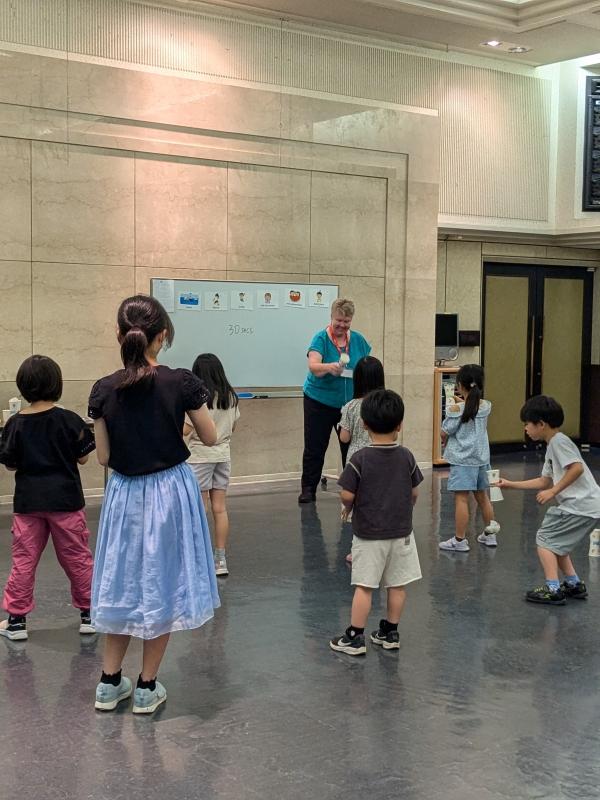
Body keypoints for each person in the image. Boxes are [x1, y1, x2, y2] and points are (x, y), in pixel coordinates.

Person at [89, 294, 220, 714]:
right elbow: (210, 436)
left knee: (122, 582)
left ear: (119, 334)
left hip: (125, 494)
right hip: (170, 491)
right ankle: (147, 686)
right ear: (162, 336)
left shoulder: (103, 389)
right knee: (162, 581)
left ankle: (109, 683)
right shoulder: (181, 382)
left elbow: (104, 457)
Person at [0, 355, 96, 641]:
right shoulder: (69, 420)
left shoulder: (15, 424)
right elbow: (84, 458)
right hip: (66, 501)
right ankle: (90, 614)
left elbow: (10, 465)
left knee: (24, 560)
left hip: (29, 503)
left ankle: (16, 621)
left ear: (23, 386)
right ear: (57, 384)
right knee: (77, 558)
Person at [330, 389, 423, 655]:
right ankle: (390, 632)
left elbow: (347, 494)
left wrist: (348, 507)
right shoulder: (407, 456)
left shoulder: (359, 459)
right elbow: (414, 491)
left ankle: (355, 636)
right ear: (400, 425)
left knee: (365, 586)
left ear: (364, 424)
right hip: (402, 533)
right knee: (397, 584)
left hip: (369, 534)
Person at [497, 395, 600, 605]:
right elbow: (544, 480)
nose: (525, 428)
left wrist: (554, 491)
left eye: (527, 424)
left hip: (580, 505)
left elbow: (577, 468)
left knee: (545, 539)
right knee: (557, 543)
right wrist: (510, 484)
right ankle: (573, 583)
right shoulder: (553, 445)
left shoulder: (559, 442)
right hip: (585, 506)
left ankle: (553, 589)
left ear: (541, 424)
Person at [299, 298, 371, 504]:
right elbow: (313, 366)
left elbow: (366, 366)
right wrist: (329, 367)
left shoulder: (359, 340)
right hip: (318, 401)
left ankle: (354, 488)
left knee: (351, 447)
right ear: (331, 317)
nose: (342, 325)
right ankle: (308, 489)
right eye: (339, 320)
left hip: (348, 406)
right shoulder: (320, 338)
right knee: (315, 447)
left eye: (346, 321)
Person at [185, 353, 240, 577]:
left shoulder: (198, 399)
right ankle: (221, 559)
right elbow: (233, 427)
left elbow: (186, 430)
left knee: (200, 509)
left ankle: (199, 559)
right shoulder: (231, 397)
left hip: (199, 457)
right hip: (223, 456)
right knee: (220, 508)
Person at [438, 364, 500, 552]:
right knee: (483, 497)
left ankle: (460, 540)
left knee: (462, 499)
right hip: (482, 459)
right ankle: (490, 535)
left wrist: (456, 405)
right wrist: (462, 402)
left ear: (459, 385)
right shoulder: (486, 406)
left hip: (463, 461)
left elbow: (445, 431)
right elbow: (471, 406)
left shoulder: (456, 410)